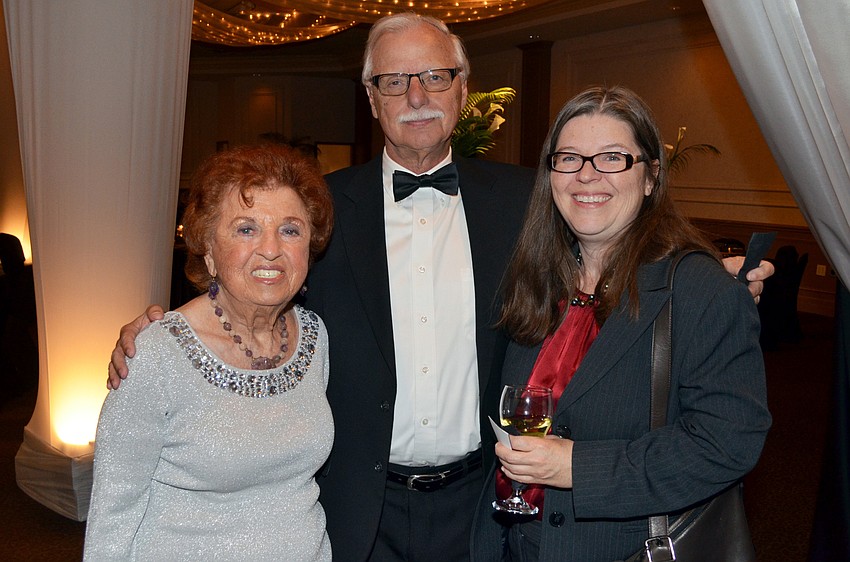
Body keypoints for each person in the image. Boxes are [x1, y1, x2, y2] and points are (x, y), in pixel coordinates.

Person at [106, 13, 773, 561]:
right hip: (355, 509)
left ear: (462, 90)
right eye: (395, 81)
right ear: (371, 99)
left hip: (486, 505)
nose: (417, 97)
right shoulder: (316, 212)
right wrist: (162, 331)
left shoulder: (528, 205)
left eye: (435, 77)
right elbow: (257, 281)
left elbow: (616, 254)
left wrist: (711, 278)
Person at [470, 86, 772, 562]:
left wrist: (577, 467)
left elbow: (727, 443)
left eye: (612, 157)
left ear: (650, 177)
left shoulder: (696, 288)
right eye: (569, 158)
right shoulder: (537, 279)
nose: (587, 176)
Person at [84, 144, 334, 560]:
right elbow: (113, 513)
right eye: (246, 229)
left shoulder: (313, 336)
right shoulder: (156, 356)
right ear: (209, 249)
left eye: (290, 230)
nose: (271, 249)